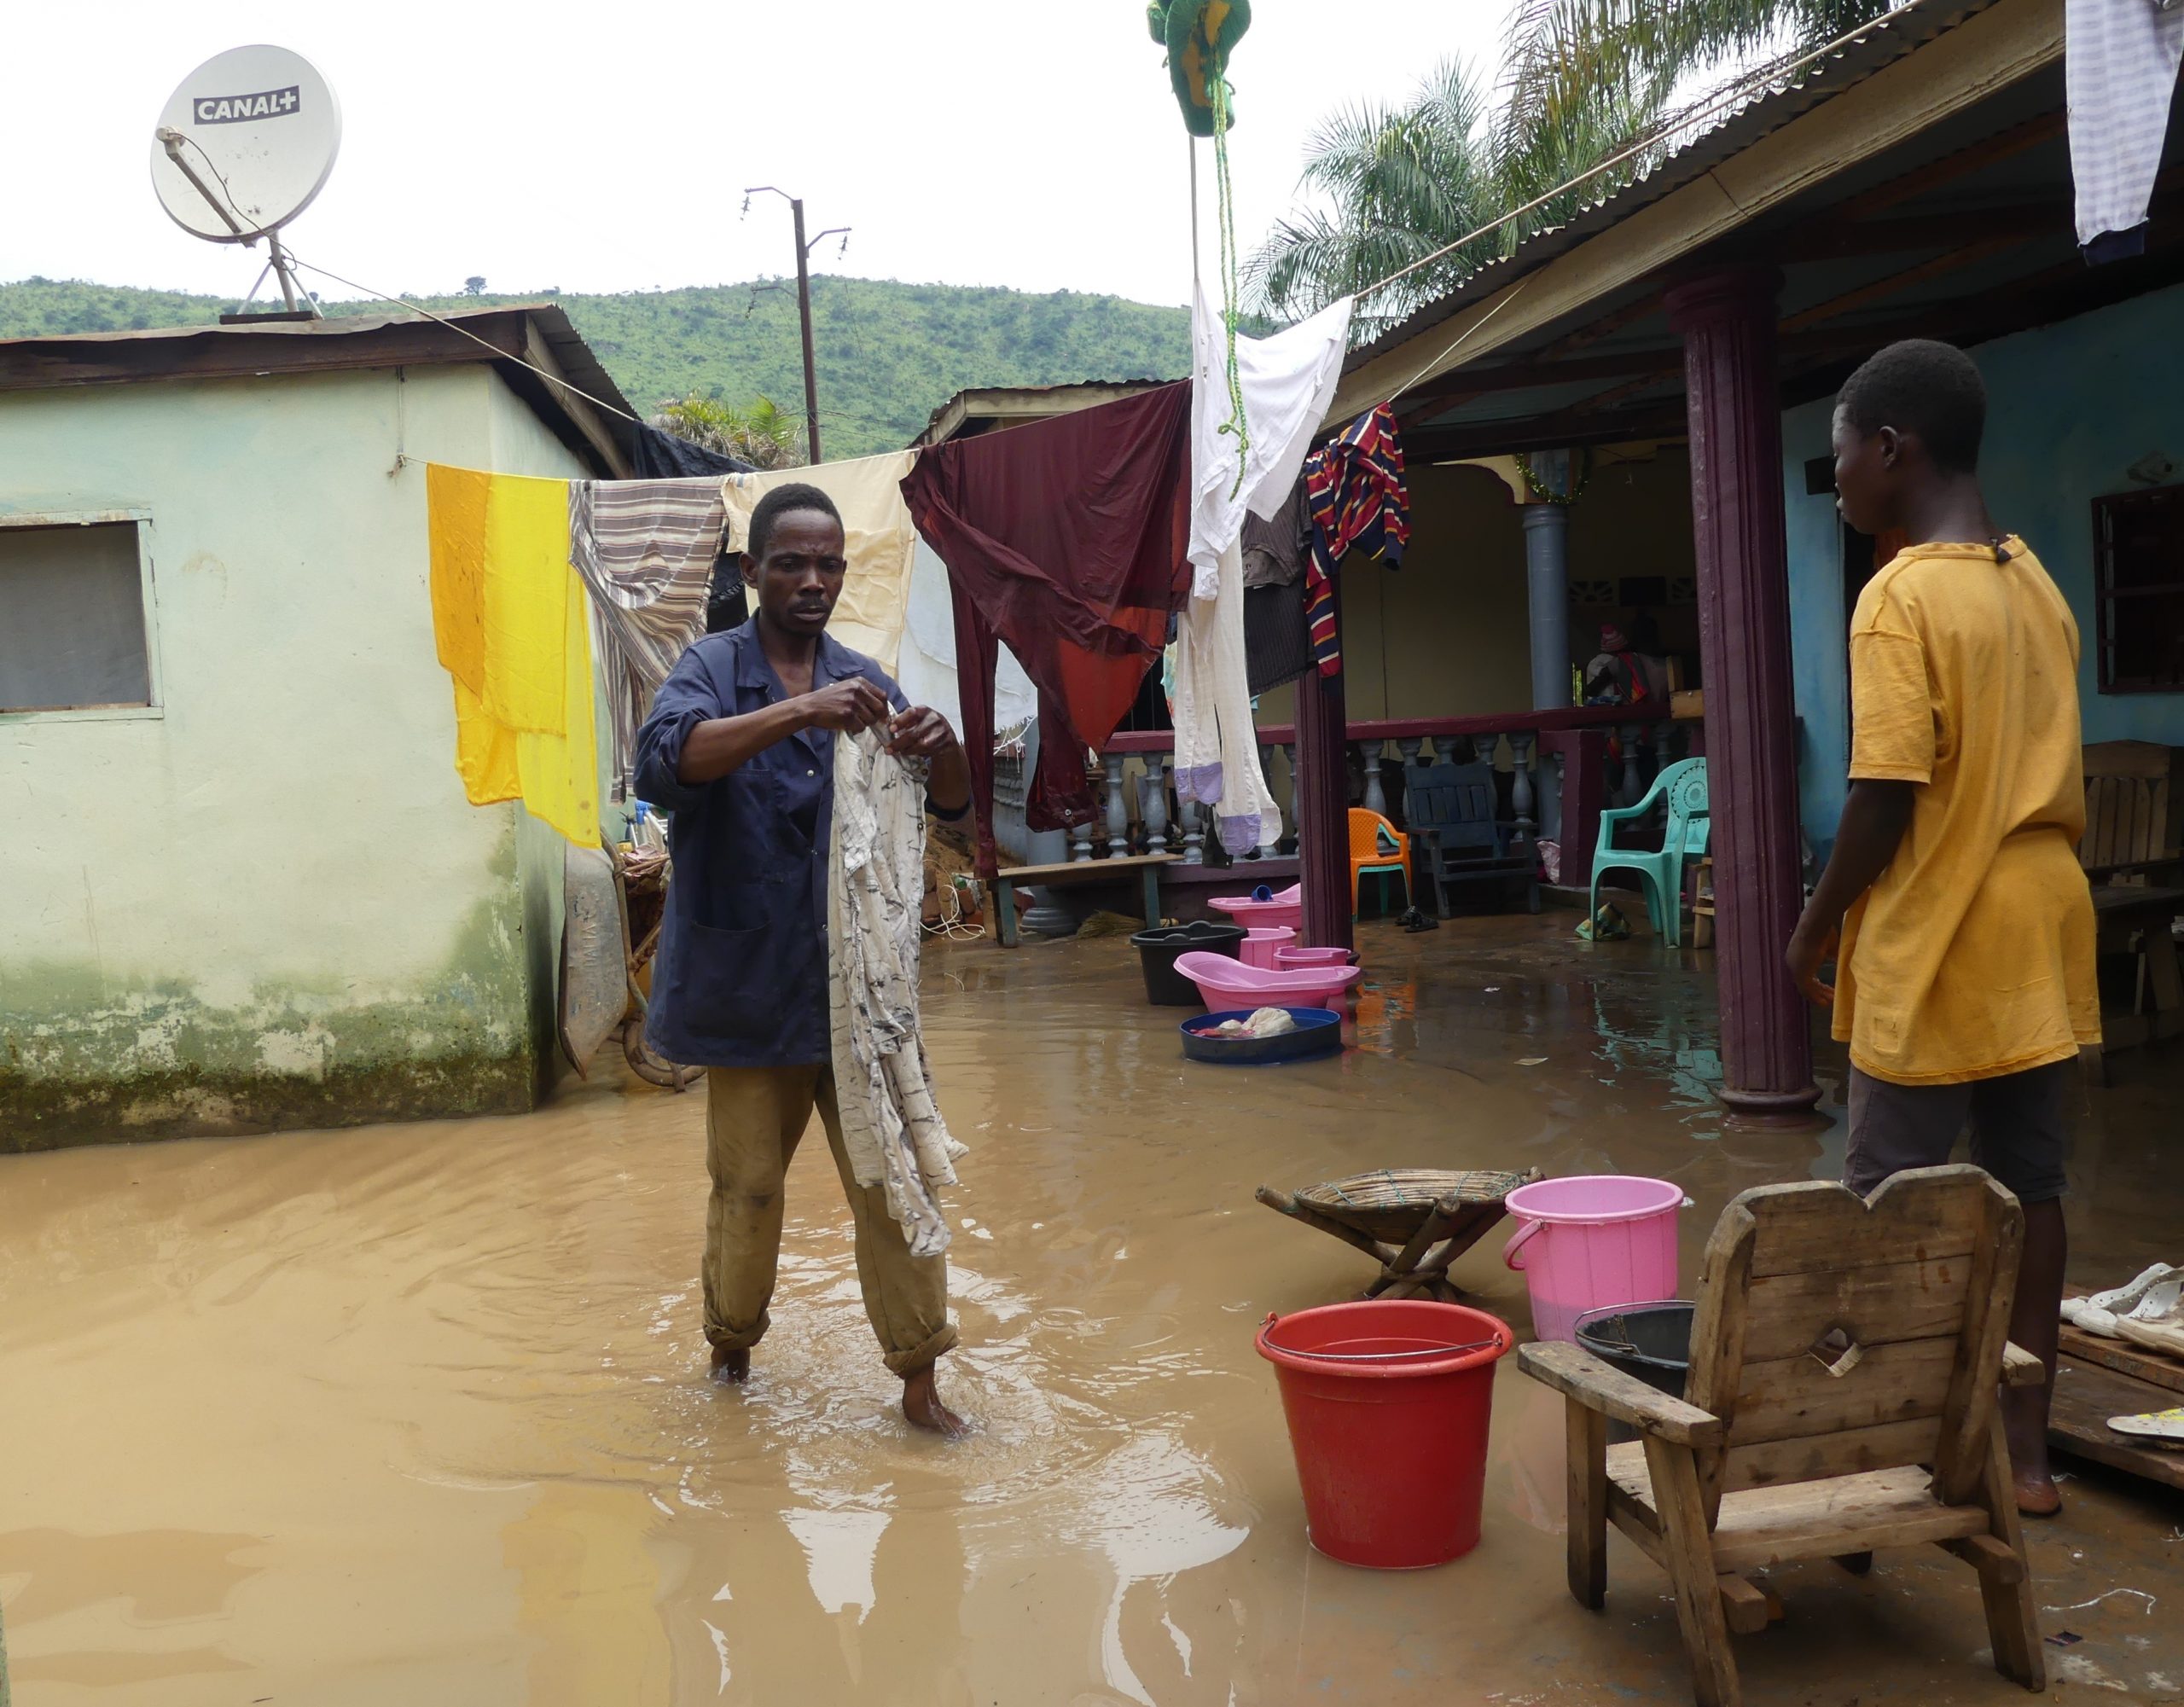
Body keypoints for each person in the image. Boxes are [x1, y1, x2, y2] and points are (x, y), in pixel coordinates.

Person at [1786, 340, 2099, 1515]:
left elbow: (1884, 793)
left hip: (1943, 926)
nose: (1839, 485)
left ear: (1889, 448)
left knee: (1887, 1201)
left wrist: (1813, 930)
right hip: (2041, 926)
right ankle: (2025, 1456)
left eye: (1839, 461)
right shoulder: (2038, 587)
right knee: (2031, 1188)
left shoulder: (1899, 597)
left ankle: (1887, 1444)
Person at [634, 484, 976, 1435]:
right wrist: (798, 714)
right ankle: (730, 1351)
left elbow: (947, 807)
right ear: (752, 572)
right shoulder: (710, 667)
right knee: (746, 1188)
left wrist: (939, 745)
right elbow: (665, 764)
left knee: (889, 1182)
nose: (813, 579)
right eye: (791, 561)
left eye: (829, 563)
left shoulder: (864, 678)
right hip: (749, 993)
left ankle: (919, 1381)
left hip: (859, 997)